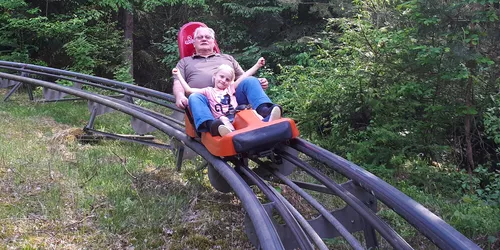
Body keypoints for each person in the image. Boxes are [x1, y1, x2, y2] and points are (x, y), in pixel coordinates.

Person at [172, 26, 282, 136]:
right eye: (199, 37)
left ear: (213, 42)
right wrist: (180, 96)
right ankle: (213, 126)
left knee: (251, 80)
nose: (204, 39)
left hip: (231, 99)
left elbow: (243, 77)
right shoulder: (185, 62)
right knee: (194, 96)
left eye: (207, 37)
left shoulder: (227, 58)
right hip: (205, 103)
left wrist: (258, 82)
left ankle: (266, 112)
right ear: (194, 43)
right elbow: (178, 82)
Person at [173, 57, 280, 136]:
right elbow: (189, 90)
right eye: (221, 77)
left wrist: (257, 65)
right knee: (221, 117)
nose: (224, 81)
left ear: (230, 82)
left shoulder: (230, 88)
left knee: (249, 109)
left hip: (236, 113)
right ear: (215, 76)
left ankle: (266, 113)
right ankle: (218, 129)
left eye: (227, 79)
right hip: (220, 117)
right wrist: (178, 75)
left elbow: (244, 76)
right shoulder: (208, 91)